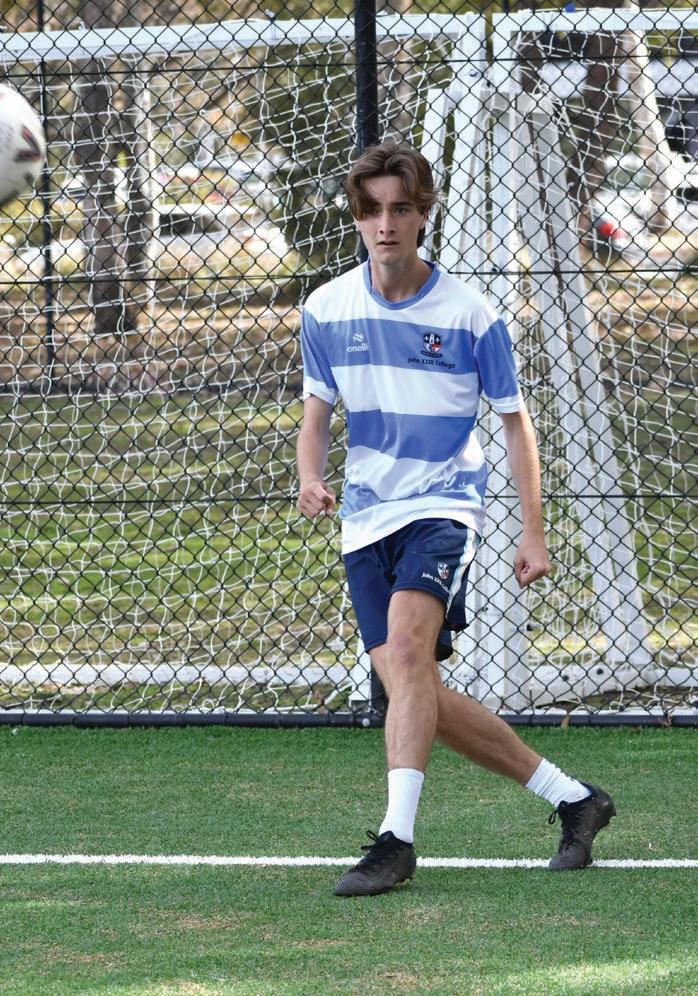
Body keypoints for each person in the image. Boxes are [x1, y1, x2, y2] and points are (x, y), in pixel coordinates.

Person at [296, 139, 616, 898]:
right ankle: (575, 799)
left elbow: (515, 423)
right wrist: (310, 476)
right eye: (372, 210)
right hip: (365, 519)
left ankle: (396, 841)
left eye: (400, 209)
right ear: (357, 218)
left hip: (443, 505)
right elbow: (316, 413)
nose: (385, 224)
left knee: (409, 655)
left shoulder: (472, 314)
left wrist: (534, 530)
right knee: (415, 691)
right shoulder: (325, 309)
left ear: (422, 215)